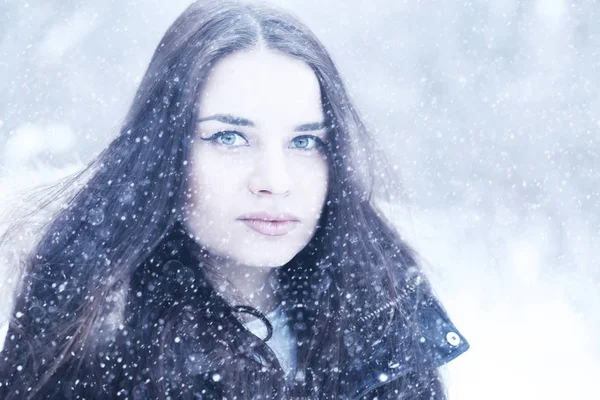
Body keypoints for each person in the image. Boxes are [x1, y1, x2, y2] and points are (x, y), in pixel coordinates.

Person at [0, 1, 469, 399]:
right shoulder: (82, 324)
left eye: (305, 142)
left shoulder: (382, 304)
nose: (274, 180)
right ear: (164, 148)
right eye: (229, 137)